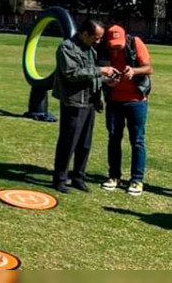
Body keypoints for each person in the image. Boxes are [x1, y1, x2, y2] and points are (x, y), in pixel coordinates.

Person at [51, 19, 111, 193]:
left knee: (85, 143)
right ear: (85, 33)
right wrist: (100, 71)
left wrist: (102, 88)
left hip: (89, 101)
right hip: (74, 102)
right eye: (96, 38)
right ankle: (60, 179)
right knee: (68, 142)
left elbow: (91, 77)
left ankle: (78, 177)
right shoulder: (66, 48)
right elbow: (72, 74)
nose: (98, 42)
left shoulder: (90, 49)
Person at [98, 25, 153, 196]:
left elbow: (149, 68)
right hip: (114, 100)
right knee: (114, 138)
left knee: (137, 140)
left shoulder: (135, 43)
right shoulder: (102, 48)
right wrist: (107, 80)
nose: (115, 49)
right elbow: (98, 72)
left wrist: (134, 71)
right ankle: (114, 176)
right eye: (112, 46)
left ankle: (136, 179)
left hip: (137, 100)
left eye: (118, 46)